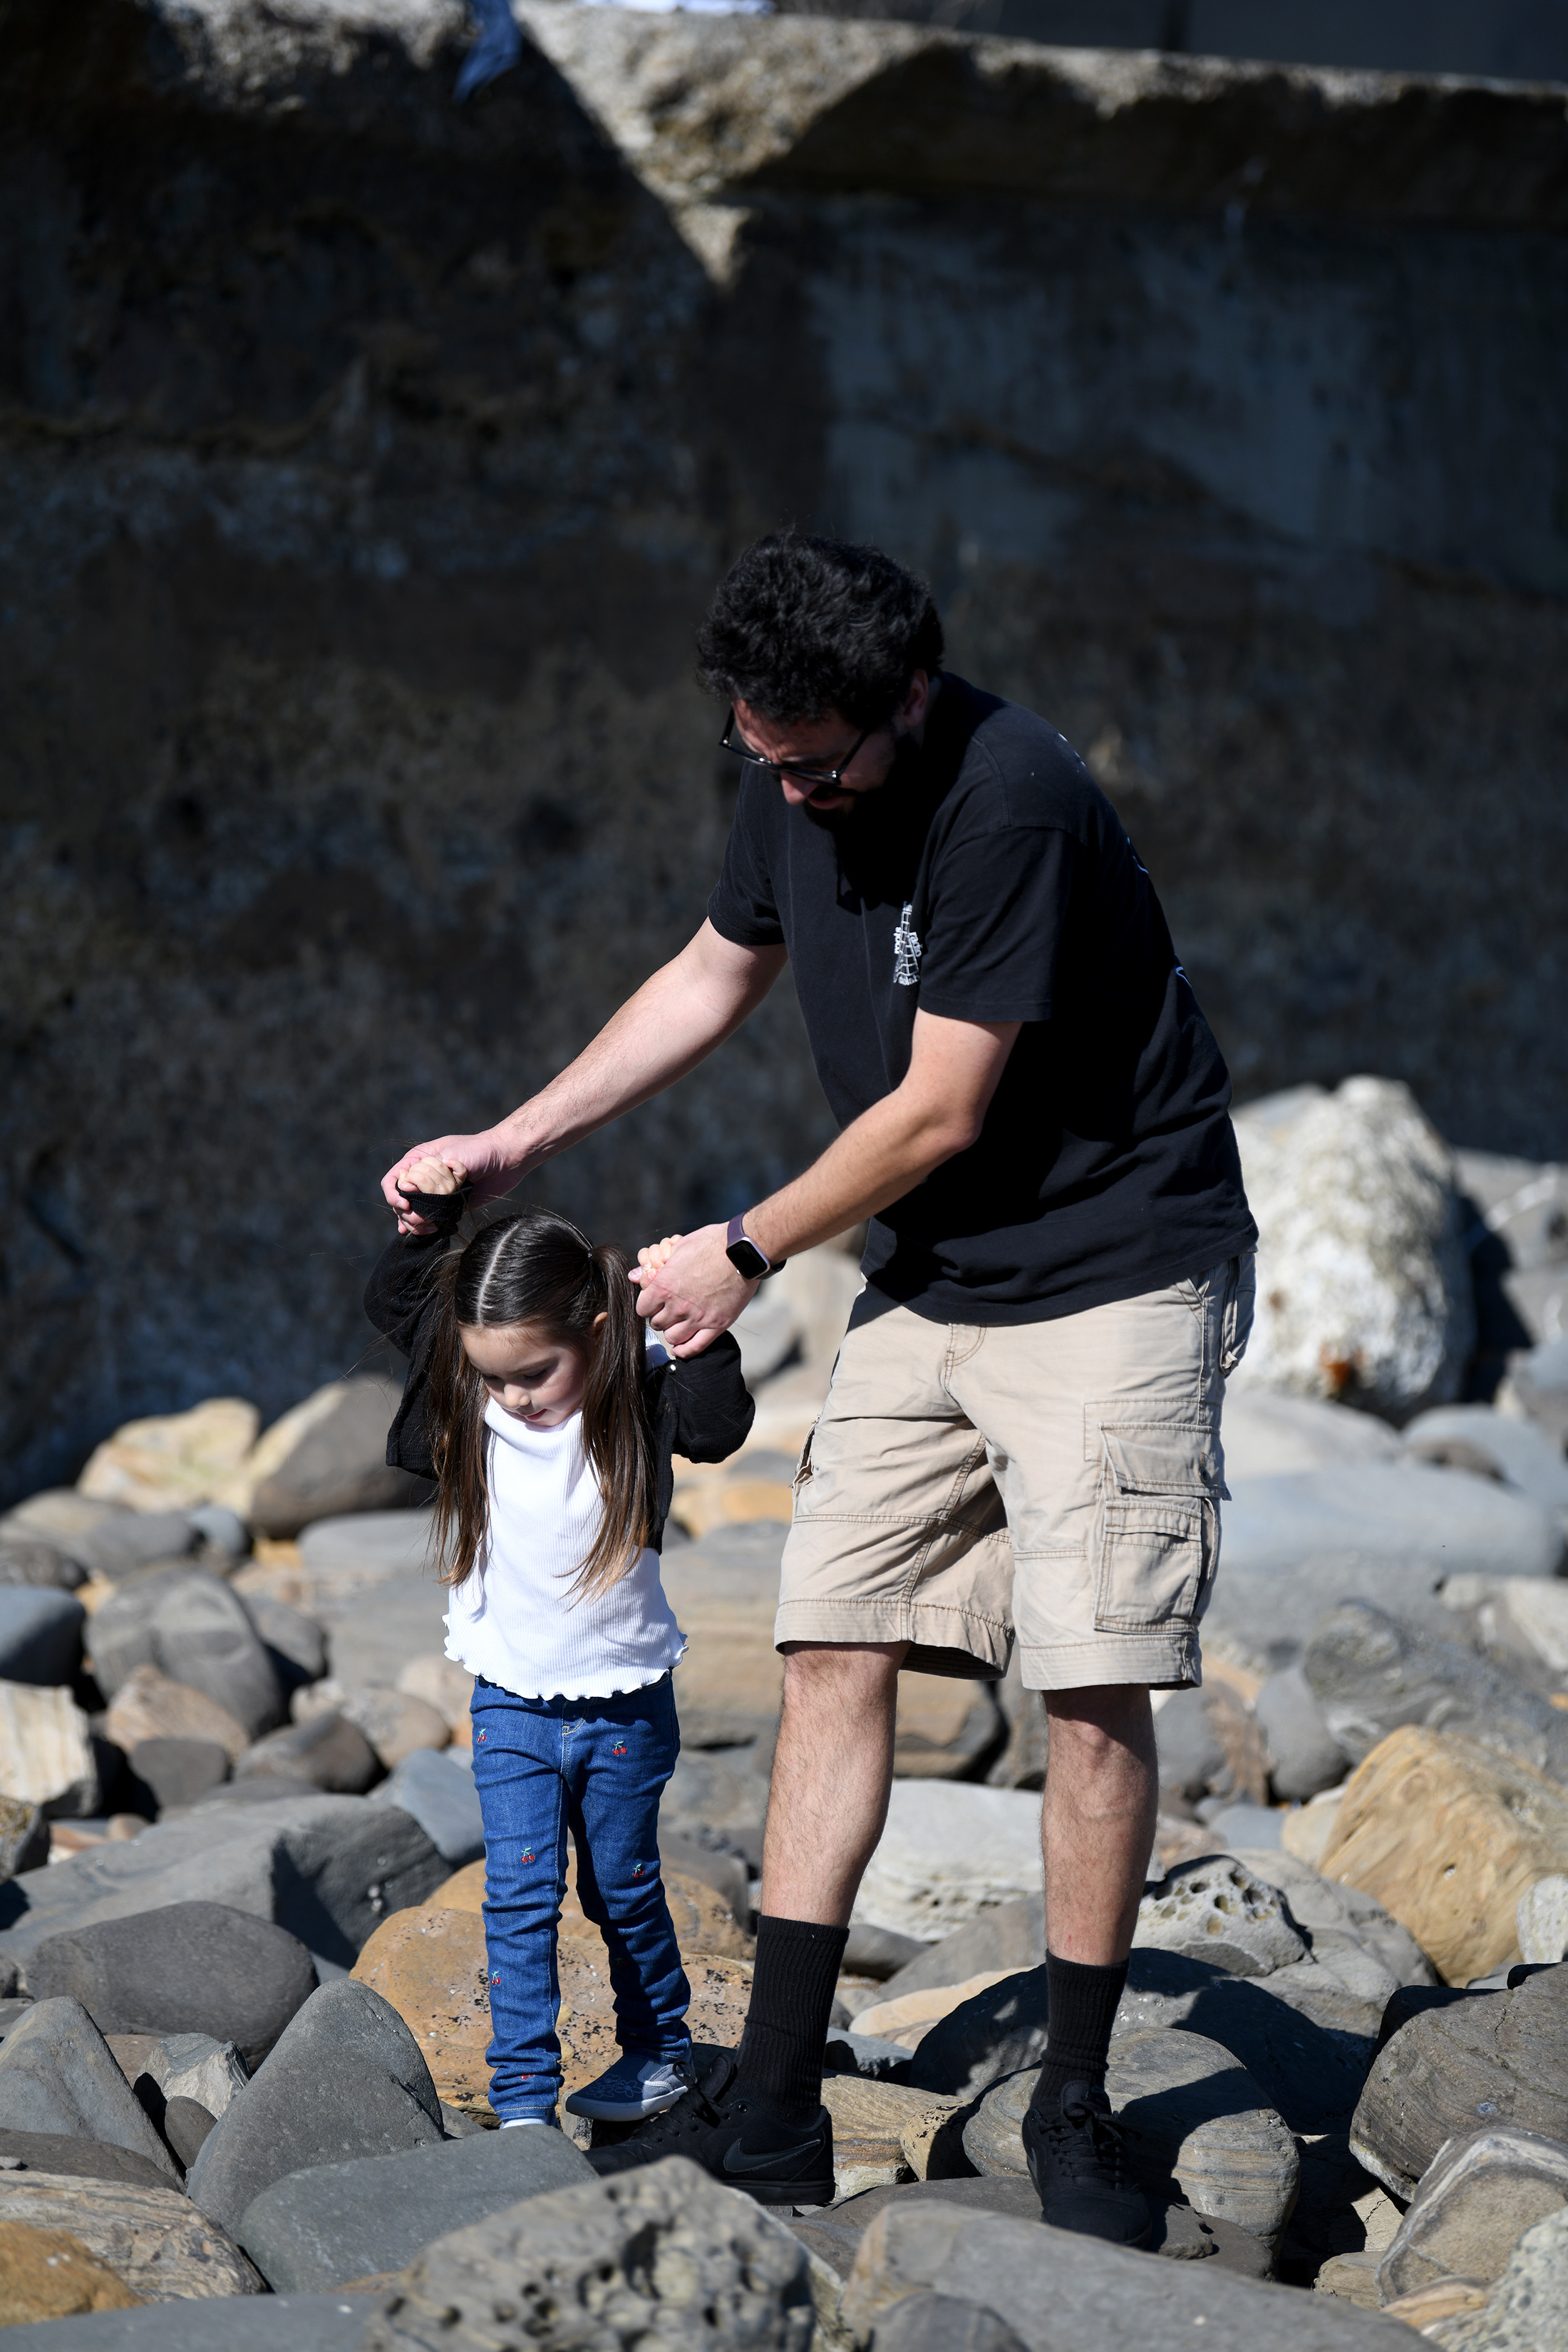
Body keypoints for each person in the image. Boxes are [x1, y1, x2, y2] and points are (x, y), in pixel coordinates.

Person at [381, 532, 1257, 2232]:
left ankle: (1072, 2107)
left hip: (1116, 1265)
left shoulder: (1006, 801)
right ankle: (773, 2107)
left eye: (812, 761)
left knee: (1085, 1682)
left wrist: (747, 1252)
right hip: (935, 1267)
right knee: (828, 1640)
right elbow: (715, 972)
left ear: (906, 700)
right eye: (755, 755)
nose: (784, 787)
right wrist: (508, 1140)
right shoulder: (795, 769)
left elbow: (940, 1109)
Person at [363, 1157, 753, 2129]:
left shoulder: (636, 1388)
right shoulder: (472, 1394)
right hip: (510, 1704)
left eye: (535, 1373)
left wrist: (693, 1323)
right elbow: (397, 1300)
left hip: (624, 1704)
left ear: (591, 1334)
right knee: (519, 1903)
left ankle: (660, 2053)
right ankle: (526, 2102)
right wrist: (430, 1223)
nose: (516, 1398)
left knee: (620, 1893)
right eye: (494, 1377)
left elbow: (720, 1428)